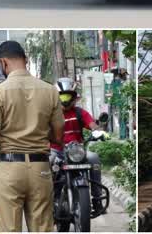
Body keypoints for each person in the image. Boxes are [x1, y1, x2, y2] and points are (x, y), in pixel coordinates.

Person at [0, 41, 64, 232]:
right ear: (25, 60)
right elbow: (59, 136)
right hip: (40, 169)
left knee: (10, 229)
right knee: (42, 228)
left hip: (9, 169)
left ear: (3, 62)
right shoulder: (50, 90)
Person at [50, 77, 109, 212]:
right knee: (45, 165)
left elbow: (92, 124)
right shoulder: (50, 114)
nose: (65, 100)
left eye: (67, 96)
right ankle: (47, 201)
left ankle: (97, 198)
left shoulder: (79, 112)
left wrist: (98, 132)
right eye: (62, 96)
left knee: (94, 158)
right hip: (56, 151)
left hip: (77, 151)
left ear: (74, 97)